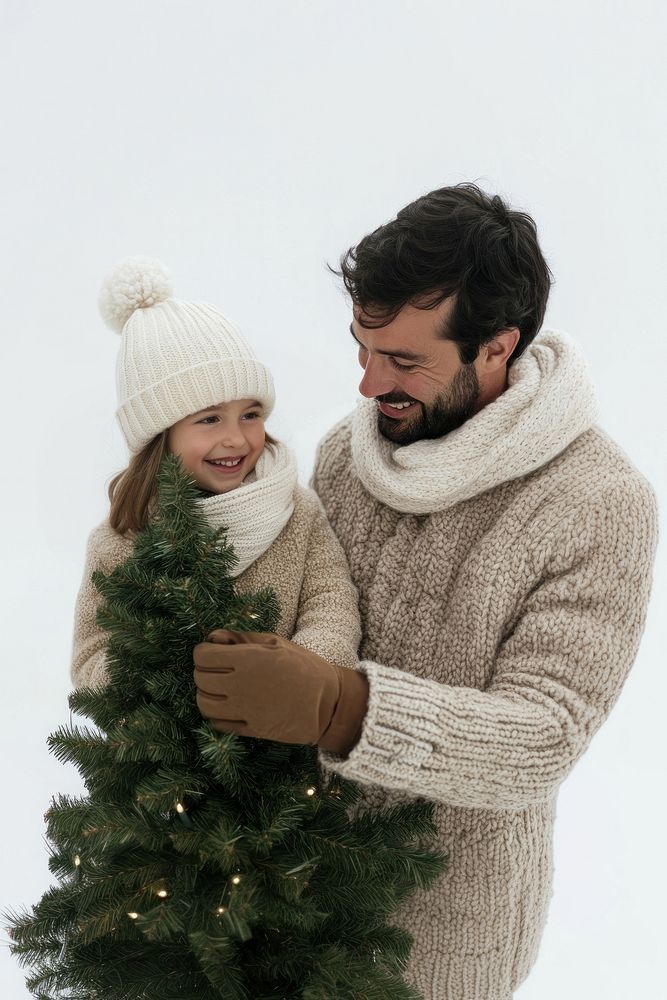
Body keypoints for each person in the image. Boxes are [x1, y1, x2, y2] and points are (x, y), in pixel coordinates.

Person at [193, 184, 659, 1000]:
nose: (370, 385)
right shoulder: (349, 452)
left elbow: (542, 739)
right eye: (362, 349)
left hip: (438, 941)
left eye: (404, 361)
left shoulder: (598, 502)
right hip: (282, 895)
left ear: (495, 347)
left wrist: (342, 706)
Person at [71, 255, 366, 758]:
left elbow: (333, 606)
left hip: (289, 762)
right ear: (159, 437)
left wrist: (296, 678)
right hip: (174, 771)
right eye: (209, 419)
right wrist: (162, 683)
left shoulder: (296, 512)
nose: (236, 438)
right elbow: (91, 659)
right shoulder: (122, 540)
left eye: (250, 414)